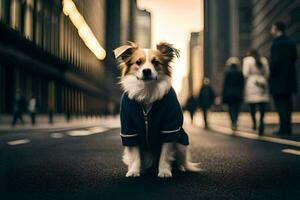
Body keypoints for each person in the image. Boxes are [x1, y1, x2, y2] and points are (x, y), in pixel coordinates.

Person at [269, 21, 298, 135]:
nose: (271, 30)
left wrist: (272, 75)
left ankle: (283, 128)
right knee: (288, 103)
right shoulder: (291, 42)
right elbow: (294, 58)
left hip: (278, 79)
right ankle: (288, 127)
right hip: (290, 78)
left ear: (276, 29)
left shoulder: (276, 43)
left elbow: (275, 62)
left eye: (272, 28)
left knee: (280, 104)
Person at [243, 50, 270, 135]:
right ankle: (261, 121)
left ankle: (254, 122)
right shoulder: (264, 60)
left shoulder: (247, 60)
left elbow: (245, 73)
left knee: (252, 105)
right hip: (262, 83)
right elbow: (268, 73)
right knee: (262, 105)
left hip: (252, 83)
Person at [222, 57, 245, 131]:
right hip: (238, 94)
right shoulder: (240, 73)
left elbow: (225, 86)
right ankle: (235, 121)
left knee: (231, 109)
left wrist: (223, 96)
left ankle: (233, 122)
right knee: (237, 109)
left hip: (229, 95)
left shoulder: (228, 74)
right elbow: (242, 85)